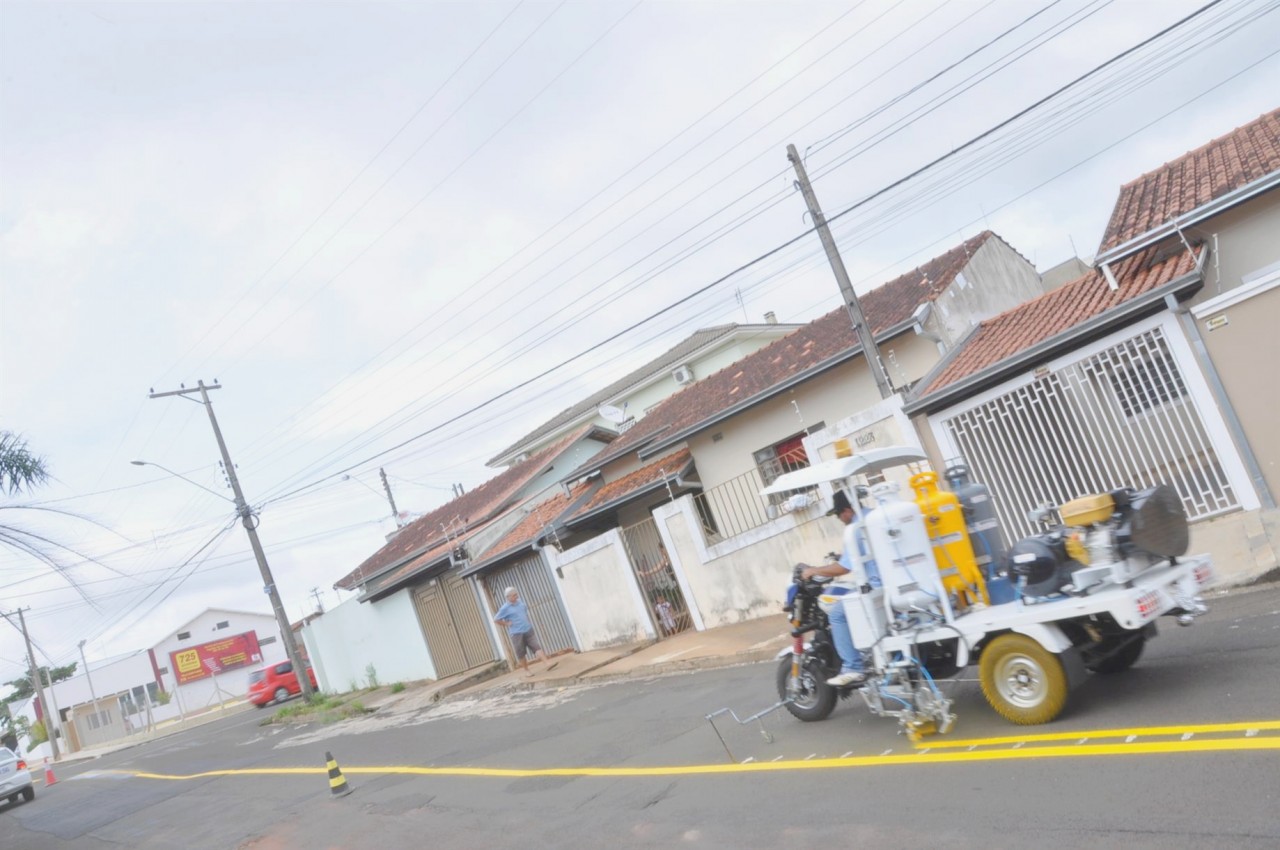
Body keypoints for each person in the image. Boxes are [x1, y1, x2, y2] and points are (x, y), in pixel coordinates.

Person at [798, 488, 878, 688]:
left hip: (875, 586)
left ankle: (853, 667)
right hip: (887, 583)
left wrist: (813, 570)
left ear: (847, 510)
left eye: (839, 515)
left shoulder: (855, 528)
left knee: (837, 614)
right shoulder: (873, 516)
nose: (840, 519)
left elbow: (844, 568)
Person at [493, 587, 559, 677]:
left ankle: (547, 663)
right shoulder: (505, 608)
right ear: (508, 597)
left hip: (528, 629)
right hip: (516, 633)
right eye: (514, 595)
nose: (516, 596)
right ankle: (526, 670)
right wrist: (506, 623)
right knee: (521, 652)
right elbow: (496, 619)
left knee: (536, 646)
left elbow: (524, 612)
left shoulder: (520, 602)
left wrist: (527, 621)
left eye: (516, 594)